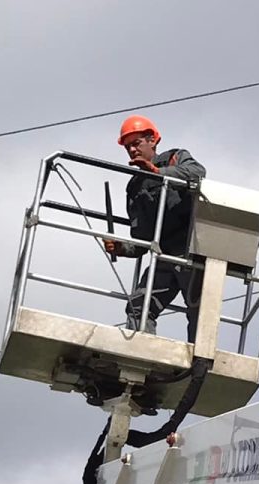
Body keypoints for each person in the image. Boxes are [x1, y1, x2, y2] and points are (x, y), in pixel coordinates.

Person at [103, 114, 206, 342]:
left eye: (136, 143)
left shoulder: (175, 158)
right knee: (139, 306)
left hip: (192, 250)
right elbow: (141, 240)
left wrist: (158, 173)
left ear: (152, 140)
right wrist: (121, 247)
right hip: (164, 254)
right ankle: (141, 351)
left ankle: (200, 363)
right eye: (128, 146)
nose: (132, 150)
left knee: (200, 309)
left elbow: (198, 173)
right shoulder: (135, 186)